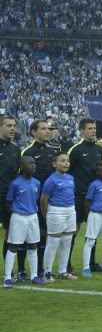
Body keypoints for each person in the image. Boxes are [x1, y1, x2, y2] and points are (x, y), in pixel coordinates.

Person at [68, 117, 102, 273]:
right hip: (78, 196)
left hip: (94, 197)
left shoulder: (99, 150)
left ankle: (91, 262)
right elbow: (68, 173)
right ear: (82, 131)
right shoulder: (75, 150)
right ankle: (67, 264)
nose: (93, 131)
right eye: (89, 129)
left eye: (94, 128)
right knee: (73, 230)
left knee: (93, 230)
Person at [4, 156, 46, 287]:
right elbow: (8, 202)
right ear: (22, 167)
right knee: (14, 246)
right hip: (18, 217)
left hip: (33, 217)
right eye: (30, 163)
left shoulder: (37, 183)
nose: (33, 165)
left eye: (34, 163)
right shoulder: (15, 183)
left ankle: (34, 275)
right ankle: (7, 277)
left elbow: (36, 200)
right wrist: (15, 216)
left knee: (33, 245)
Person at [20, 119, 55, 279]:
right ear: (33, 132)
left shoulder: (51, 152)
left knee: (44, 234)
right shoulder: (28, 152)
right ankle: (23, 270)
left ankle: (41, 268)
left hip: (48, 200)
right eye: (43, 129)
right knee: (29, 236)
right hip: (32, 201)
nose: (48, 131)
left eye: (49, 129)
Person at [40, 152, 77, 281]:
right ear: (54, 164)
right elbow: (44, 199)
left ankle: (63, 271)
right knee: (53, 242)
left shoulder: (70, 178)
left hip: (70, 210)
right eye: (62, 161)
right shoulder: (51, 180)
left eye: (67, 160)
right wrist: (47, 215)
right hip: (56, 211)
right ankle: (47, 272)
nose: (66, 163)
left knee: (67, 241)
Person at [0, 115, 22, 277]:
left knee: (9, 233)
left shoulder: (15, 149)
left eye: (14, 125)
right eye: (8, 125)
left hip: (8, 199)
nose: (12, 128)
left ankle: (9, 271)